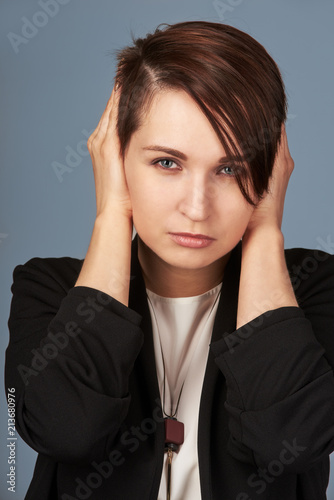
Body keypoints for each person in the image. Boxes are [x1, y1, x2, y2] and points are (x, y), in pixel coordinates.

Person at [5, 21, 334, 500]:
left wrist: (265, 230)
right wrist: (112, 215)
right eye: (166, 163)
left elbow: (293, 441)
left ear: (268, 174)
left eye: (231, 169)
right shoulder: (47, 288)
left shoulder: (311, 289)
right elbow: (65, 432)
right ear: (117, 159)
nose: (197, 208)